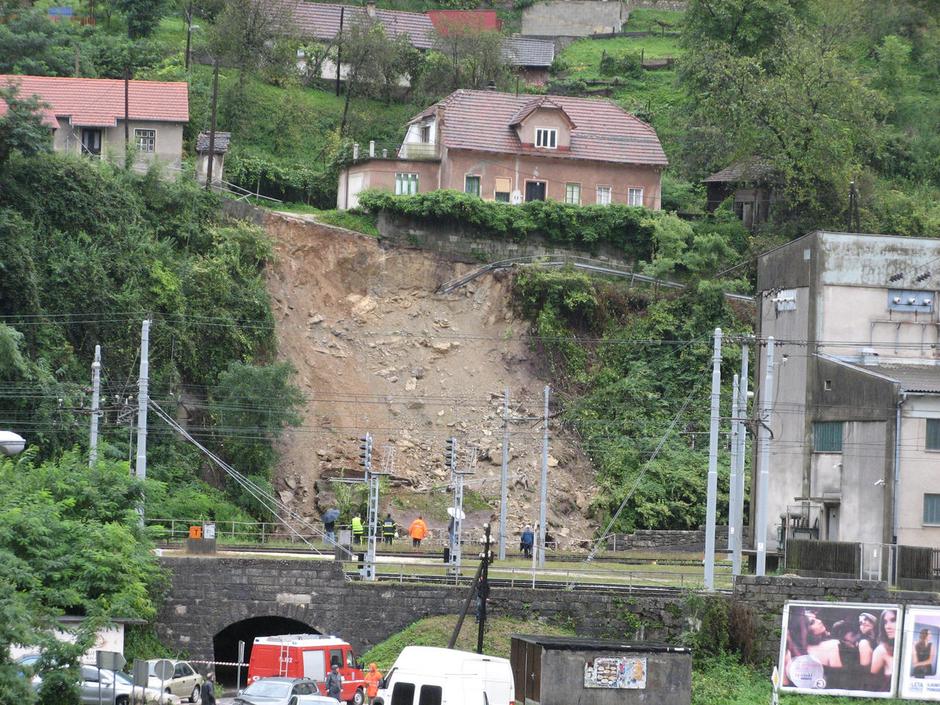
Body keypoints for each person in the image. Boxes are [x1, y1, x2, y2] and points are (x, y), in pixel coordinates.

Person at [870, 609, 897, 691]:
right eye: (885, 622)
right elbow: (871, 685)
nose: (887, 626)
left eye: (893, 620)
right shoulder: (881, 651)